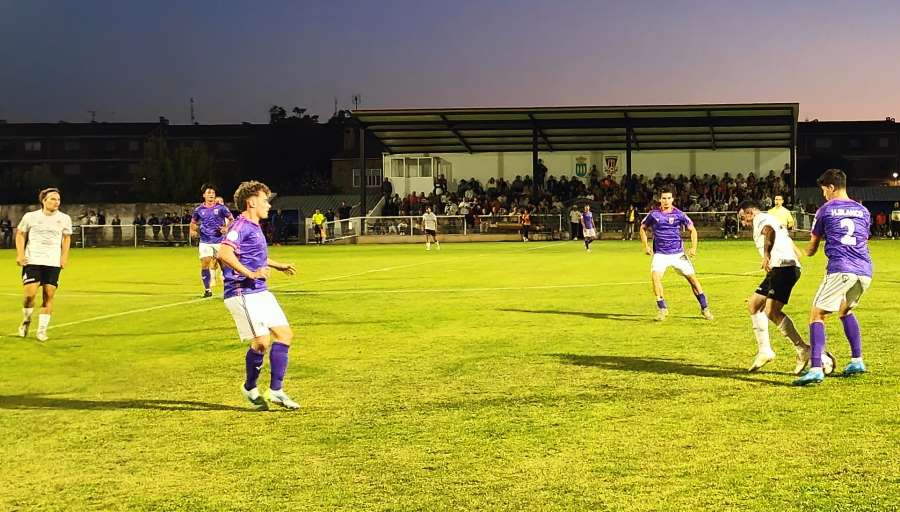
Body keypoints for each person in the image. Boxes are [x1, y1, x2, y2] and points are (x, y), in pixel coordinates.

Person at [218, 180, 299, 410]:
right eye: (265, 200)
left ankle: (275, 391)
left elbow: (254, 256)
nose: (269, 205)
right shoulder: (240, 225)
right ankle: (250, 387)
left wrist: (277, 265)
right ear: (251, 202)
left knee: (284, 334)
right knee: (262, 342)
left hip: (259, 291)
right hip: (241, 291)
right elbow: (225, 253)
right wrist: (251, 274)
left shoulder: (254, 226)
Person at [795, 169, 874, 386]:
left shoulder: (825, 210)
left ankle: (816, 368)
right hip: (865, 270)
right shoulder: (863, 210)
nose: (824, 195)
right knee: (845, 310)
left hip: (841, 268)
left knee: (817, 314)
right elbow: (863, 239)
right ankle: (857, 360)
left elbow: (812, 249)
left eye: (824, 190)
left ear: (831, 187)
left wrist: (800, 251)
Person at [737, 200, 835, 375]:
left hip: (783, 268)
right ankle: (765, 350)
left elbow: (769, 231)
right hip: (782, 268)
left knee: (771, 311)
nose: (743, 222)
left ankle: (807, 351)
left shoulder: (761, 219)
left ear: (750, 212)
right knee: (754, 305)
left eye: (743, 218)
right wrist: (796, 255)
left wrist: (767, 255)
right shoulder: (771, 217)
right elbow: (786, 239)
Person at [639, 188, 713, 321]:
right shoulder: (654, 214)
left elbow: (692, 230)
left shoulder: (679, 214)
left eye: (668, 198)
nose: (666, 201)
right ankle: (662, 308)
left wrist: (693, 248)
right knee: (655, 277)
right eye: (664, 198)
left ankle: (705, 308)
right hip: (660, 254)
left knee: (693, 280)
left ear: (672, 199)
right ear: (660, 199)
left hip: (678, 253)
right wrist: (645, 246)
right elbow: (642, 228)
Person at [15, 188, 73, 342]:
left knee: (48, 296)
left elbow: (66, 237)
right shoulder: (30, 217)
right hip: (33, 260)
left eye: (58, 199)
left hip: (52, 262)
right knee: (29, 295)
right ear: (44, 200)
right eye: (53, 199)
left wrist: (64, 256)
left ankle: (42, 331)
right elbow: (20, 234)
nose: (56, 202)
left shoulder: (65, 218)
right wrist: (20, 254)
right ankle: (26, 321)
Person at [191, 183, 234, 298]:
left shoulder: (221, 208)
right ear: (204, 195)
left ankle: (229, 289)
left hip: (220, 241)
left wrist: (226, 228)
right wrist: (193, 230)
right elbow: (193, 222)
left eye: (213, 193)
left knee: (224, 265)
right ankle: (207, 289)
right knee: (205, 263)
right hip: (205, 241)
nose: (211, 195)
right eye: (209, 193)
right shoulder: (199, 210)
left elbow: (232, 220)